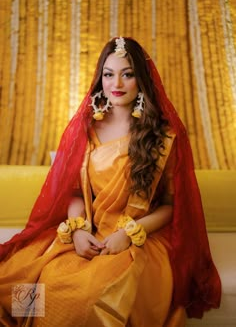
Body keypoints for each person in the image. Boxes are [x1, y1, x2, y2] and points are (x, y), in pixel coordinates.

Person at [0, 37, 221, 326]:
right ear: (100, 78)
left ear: (141, 79)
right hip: (89, 230)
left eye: (127, 74)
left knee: (91, 299)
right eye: (108, 74)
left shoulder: (163, 137)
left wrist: (127, 234)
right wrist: (78, 231)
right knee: (31, 285)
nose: (116, 82)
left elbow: (170, 205)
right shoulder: (86, 127)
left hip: (139, 237)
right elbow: (76, 192)